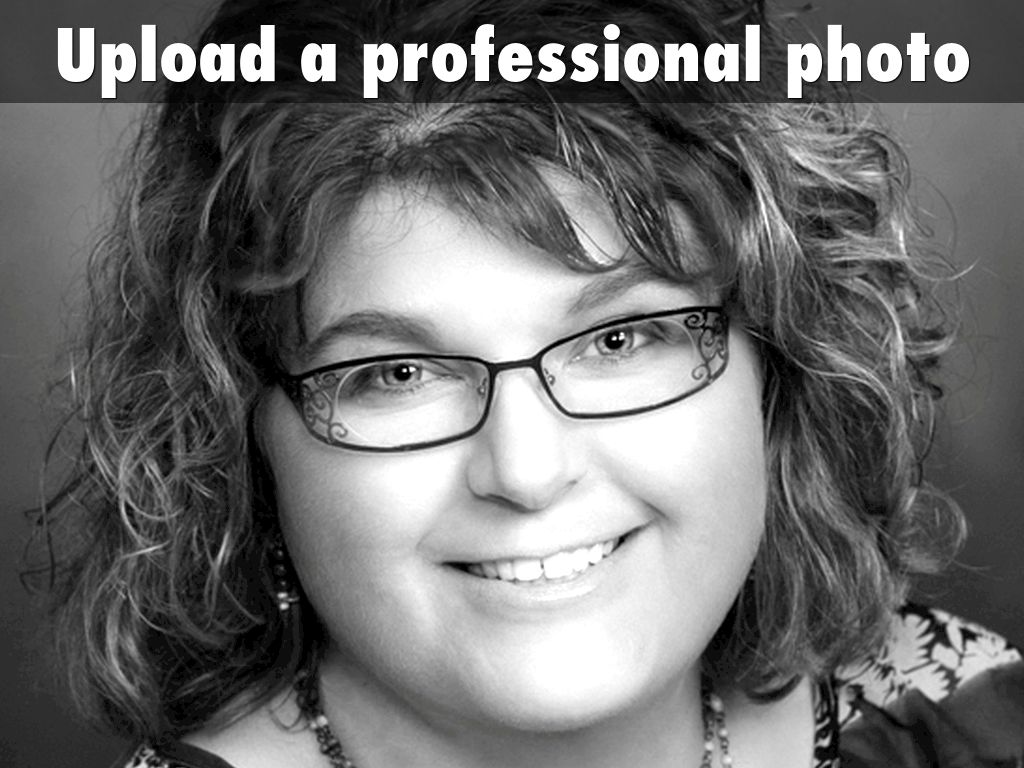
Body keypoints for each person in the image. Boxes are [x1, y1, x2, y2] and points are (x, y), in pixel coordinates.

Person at [33, 1, 1024, 766]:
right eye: (396, 373)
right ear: (243, 445)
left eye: (620, 339)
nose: (526, 471)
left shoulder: (965, 716)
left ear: (782, 371)